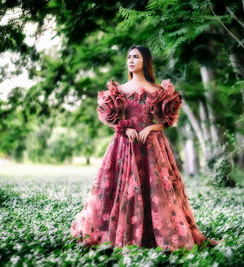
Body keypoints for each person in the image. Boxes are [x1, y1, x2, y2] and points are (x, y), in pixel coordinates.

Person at [70, 45, 215, 251]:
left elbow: (168, 119)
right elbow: (109, 117)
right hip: (124, 145)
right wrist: (124, 128)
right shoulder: (119, 90)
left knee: (156, 189)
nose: (131, 60)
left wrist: (151, 127)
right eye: (128, 57)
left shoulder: (158, 90)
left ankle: (155, 237)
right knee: (119, 189)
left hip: (152, 145)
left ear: (145, 61)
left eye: (136, 57)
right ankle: (117, 236)